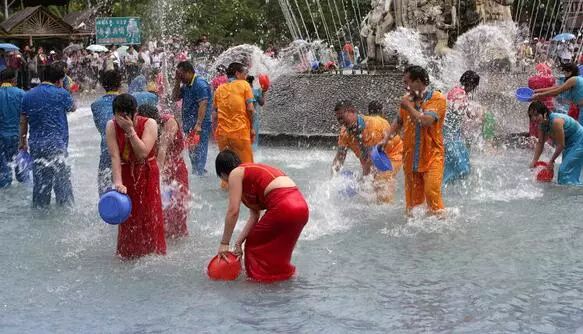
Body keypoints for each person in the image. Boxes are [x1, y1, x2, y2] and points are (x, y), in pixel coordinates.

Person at [215, 150, 309, 282]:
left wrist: (224, 243)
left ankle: (257, 286)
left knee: (253, 247)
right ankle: (282, 283)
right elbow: (254, 217)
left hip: (284, 206)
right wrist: (238, 243)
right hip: (301, 208)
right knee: (279, 253)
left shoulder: (235, 173)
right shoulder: (250, 174)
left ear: (223, 174)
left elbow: (233, 211)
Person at [105, 94, 166, 259]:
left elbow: (142, 153)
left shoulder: (149, 123)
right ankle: (129, 253)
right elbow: (115, 157)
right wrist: (118, 182)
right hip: (126, 173)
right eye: (119, 115)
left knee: (149, 212)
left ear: (135, 113)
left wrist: (130, 130)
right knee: (129, 215)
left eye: (126, 115)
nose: (122, 119)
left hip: (146, 171)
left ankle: (153, 253)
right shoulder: (111, 125)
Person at [382, 65, 447, 215]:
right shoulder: (407, 99)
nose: (405, 87)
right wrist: (385, 140)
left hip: (432, 156)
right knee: (412, 206)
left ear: (418, 81)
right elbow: (399, 121)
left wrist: (409, 107)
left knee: (432, 194)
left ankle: (443, 227)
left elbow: (426, 121)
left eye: (407, 82)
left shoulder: (437, 98)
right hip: (411, 159)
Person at [20, 63, 75, 208]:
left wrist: (23, 141)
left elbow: (23, 121)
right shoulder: (61, 93)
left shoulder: (28, 95)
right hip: (57, 145)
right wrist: (66, 90)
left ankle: (40, 212)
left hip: (37, 145)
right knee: (63, 187)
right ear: (59, 80)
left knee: (40, 187)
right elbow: (73, 107)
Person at [332, 101, 403, 203]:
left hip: (393, 153)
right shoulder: (345, 133)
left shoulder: (374, 127)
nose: (341, 121)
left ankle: (387, 208)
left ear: (352, 112)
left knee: (381, 181)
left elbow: (371, 160)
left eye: (343, 117)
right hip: (374, 156)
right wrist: (332, 180)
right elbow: (339, 159)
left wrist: (364, 181)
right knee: (370, 184)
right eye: (338, 119)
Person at [138, 104, 189, 239]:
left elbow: (163, 149)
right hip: (160, 167)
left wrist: (157, 175)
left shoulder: (169, 122)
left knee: (177, 206)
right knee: (161, 206)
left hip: (176, 168)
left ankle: (178, 237)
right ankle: (162, 234)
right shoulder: (148, 127)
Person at [213, 62, 256, 175]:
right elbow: (251, 109)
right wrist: (252, 128)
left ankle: (227, 191)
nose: (246, 76)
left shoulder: (219, 89)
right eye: (244, 73)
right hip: (240, 133)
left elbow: (215, 114)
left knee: (227, 172)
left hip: (222, 135)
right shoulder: (244, 84)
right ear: (237, 74)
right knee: (247, 170)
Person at [172, 61, 212, 176]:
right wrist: (177, 81)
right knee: (192, 151)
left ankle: (200, 174)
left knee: (200, 150)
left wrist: (198, 124)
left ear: (189, 72)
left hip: (200, 125)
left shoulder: (200, 84)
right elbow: (174, 97)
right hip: (189, 124)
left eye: (181, 74)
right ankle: (198, 172)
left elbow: (203, 104)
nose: (180, 77)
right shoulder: (186, 84)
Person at [528, 101, 583, 185]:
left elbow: (561, 145)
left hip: (580, 140)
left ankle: (575, 195)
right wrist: (534, 161)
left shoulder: (556, 122)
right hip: (569, 144)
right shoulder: (542, 124)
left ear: (545, 113)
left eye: (536, 115)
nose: (534, 118)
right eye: (531, 116)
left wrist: (551, 161)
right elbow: (540, 143)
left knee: (564, 171)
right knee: (568, 172)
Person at [443, 71, 479, 185]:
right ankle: (442, 187)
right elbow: (456, 109)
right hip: (448, 135)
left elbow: (457, 108)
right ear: (471, 84)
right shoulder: (460, 93)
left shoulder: (458, 91)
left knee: (462, 164)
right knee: (462, 166)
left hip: (453, 134)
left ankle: (449, 187)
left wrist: (468, 112)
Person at [91, 70, 122, 195]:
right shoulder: (127, 101)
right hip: (123, 150)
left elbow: (101, 128)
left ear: (103, 85)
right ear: (119, 84)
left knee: (105, 191)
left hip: (106, 149)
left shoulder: (95, 105)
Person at [0, 69, 26, 188]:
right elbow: (25, 118)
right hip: (17, 136)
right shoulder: (21, 93)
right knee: (22, 173)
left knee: (3, 174)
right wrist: (24, 140)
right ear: (13, 80)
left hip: (1, 137)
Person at [246, 75, 266, 150]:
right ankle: (253, 158)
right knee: (253, 140)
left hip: (244, 118)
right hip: (254, 119)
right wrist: (263, 92)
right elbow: (262, 103)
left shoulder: (242, 91)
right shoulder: (256, 91)